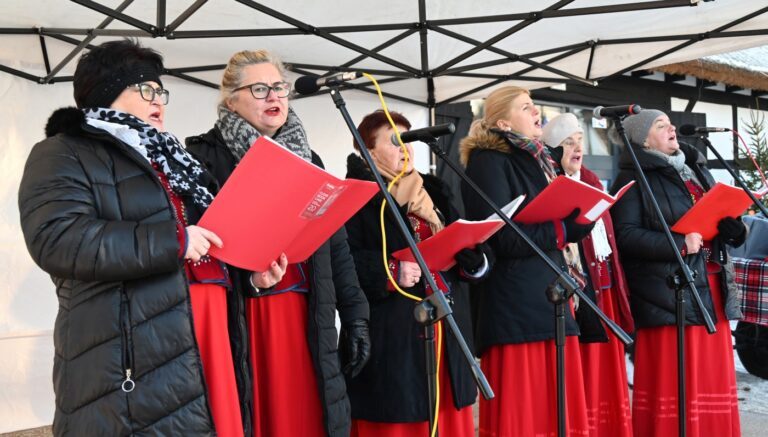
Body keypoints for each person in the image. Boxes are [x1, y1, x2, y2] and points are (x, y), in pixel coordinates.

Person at [18, 39, 244, 436]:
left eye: (161, 90)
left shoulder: (173, 159)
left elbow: (207, 236)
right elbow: (58, 239)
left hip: (205, 328)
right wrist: (174, 242)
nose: (158, 100)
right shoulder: (62, 153)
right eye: (145, 89)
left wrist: (251, 275)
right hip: (130, 346)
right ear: (107, 92)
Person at [185, 49, 371, 437]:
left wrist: (356, 315)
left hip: (307, 314)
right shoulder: (203, 157)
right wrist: (250, 281)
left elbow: (335, 246)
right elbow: (199, 255)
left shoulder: (310, 158)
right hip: (246, 316)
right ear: (231, 100)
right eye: (259, 89)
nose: (274, 97)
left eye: (279, 87)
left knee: (306, 418)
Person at [344, 110, 490, 437]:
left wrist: (473, 260)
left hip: (448, 330)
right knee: (403, 422)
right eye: (395, 141)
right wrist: (390, 271)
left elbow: (465, 243)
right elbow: (342, 262)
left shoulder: (433, 190)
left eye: (408, 140)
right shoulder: (355, 195)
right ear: (368, 151)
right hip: (395, 336)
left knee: (447, 416)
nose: (405, 149)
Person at [459, 86, 592, 437]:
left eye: (535, 105)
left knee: (557, 412)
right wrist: (562, 230)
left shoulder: (539, 158)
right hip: (515, 307)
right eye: (525, 107)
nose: (536, 112)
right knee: (526, 416)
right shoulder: (488, 161)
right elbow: (501, 235)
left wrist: (579, 219)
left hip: (550, 297)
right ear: (503, 123)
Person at [609, 109, 744, 437]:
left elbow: (716, 217)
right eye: (661, 125)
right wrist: (679, 245)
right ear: (643, 139)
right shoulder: (633, 177)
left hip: (711, 285)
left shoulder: (694, 168)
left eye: (670, 124)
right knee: (677, 382)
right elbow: (625, 235)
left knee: (711, 377)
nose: (671, 128)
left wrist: (735, 231)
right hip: (669, 295)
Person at [542, 113, 635, 437]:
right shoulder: (554, 186)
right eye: (568, 143)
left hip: (604, 286)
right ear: (554, 149)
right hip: (580, 292)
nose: (577, 148)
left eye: (580, 141)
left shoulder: (593, 181)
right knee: (585, 369)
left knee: (608, 369)